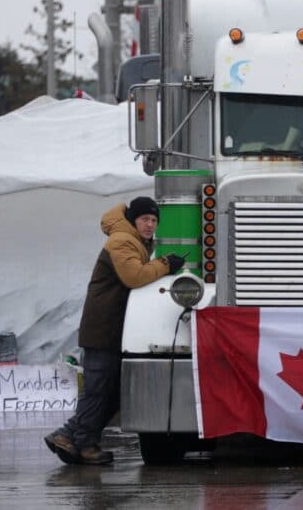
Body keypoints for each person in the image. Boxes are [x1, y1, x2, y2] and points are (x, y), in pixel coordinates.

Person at [45, 197, 185, 464]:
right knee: (98, 388)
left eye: (154, 221)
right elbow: (133, 276)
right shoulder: (122, 240)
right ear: (133, 219)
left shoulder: (135, 241)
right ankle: (77, 440)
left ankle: (73, 438)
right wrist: (165, 264)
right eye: (145, 219)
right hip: (103, 327)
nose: (150, 225)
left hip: (111, 327)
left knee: (110, 390)